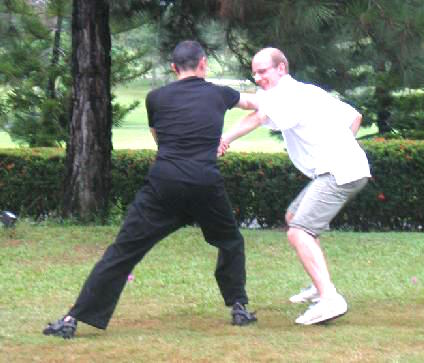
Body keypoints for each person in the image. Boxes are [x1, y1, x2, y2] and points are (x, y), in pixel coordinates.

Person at [43, 40, 258, 339]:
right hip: (204, 185)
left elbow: (160, 140)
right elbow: (256, 105)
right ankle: (239, 307)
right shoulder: (220, 94)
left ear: (173, 68)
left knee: (122, 252)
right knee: (230, 241)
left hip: (164, 185)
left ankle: (71, 319)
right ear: (203, 64)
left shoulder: (155, 98)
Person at [220, 47, 371, 325]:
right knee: (294, 218)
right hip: (343, 168)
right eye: (254, 73)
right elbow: (354, 117)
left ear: (282, 69)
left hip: (338, 172)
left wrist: (224, 139)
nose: (257, 77)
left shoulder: (286, 95)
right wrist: (338, 148)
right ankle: (319, 285)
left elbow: (256, 115)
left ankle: (329, 299)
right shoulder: (307, 91)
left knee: (299, 232)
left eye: (263, 71)